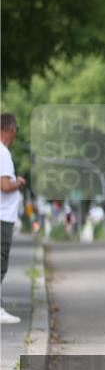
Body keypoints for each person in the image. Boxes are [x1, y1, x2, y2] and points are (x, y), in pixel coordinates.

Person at [1, 113, 26, 324]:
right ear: (11, 129)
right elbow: (5, 186)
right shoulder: (3, 153)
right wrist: (18, 182)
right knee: (1, 263)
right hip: (2, 217)